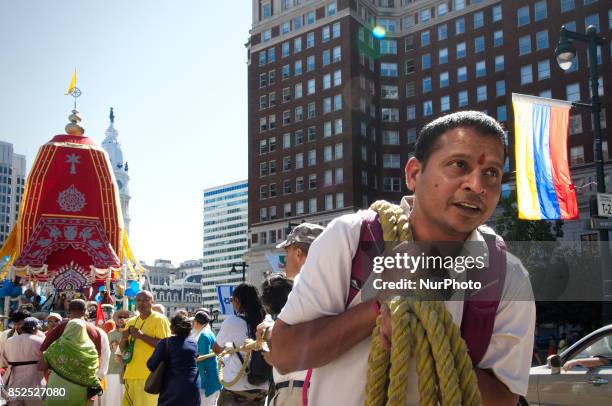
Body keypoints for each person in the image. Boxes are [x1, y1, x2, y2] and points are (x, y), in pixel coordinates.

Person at [267, 111, 536, 405]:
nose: (477, 185)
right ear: (413, 174)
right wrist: (380, 307)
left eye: (492, 173)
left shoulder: (507, 277)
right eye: (459, 165)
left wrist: (429, 342)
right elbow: (284, 354)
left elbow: (504, 399)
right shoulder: (351, 238)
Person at [214, 283, 268, 405]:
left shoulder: (233, 321)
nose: (232, 303)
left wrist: (227, 353)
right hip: (262, 386)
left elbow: (216, 348)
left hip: (237, 387)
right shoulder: (266, 321)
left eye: (232, 300)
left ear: (237, 301)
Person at [119, 291, 171, 406]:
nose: (141, 303)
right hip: (130, 374)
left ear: (152, 302)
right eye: (138, 300)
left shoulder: (160, 319)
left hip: (149, 376)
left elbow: (165, 345)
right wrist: (123, 339)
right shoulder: (131, 321)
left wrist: (142, 336)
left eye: (145, 300)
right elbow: (123, 350)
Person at [258, 275, 301, 406]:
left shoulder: (268, 326)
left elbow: (269, 357)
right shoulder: (303, 317)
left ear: (267, 304)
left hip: (289, 391)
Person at [41, 319, 102, 406]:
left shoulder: (59, 344)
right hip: (79, 389)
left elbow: (41, 366)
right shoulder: (91, 350)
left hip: (57, 385)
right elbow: (94, 369)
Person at [147, 312, 201, 406]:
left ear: (172, 328)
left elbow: (151, 365)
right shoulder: (194, 343)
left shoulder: (165, 343)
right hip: (193, 388)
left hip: (172, 390)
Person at [2, 317, 45, 405]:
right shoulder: (41, 341)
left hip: (14, 384)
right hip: (35, 385)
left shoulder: (9, 341)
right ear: (35, 328)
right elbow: (45, 363)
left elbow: (4, 362)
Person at [193, 310, 222, 405]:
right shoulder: (209, 332)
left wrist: (199, 383)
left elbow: (202, 360)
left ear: (196, 323)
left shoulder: (203, 335)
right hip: (212, 377)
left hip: (207, 380)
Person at [103, 310, 131, 406]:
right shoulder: (110, 334)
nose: (122, 319)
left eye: (125, 317)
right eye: (120, 317)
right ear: (116, 319)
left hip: (128, 372)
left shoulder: (132, 334)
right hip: (113, 371)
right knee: (112, 400)